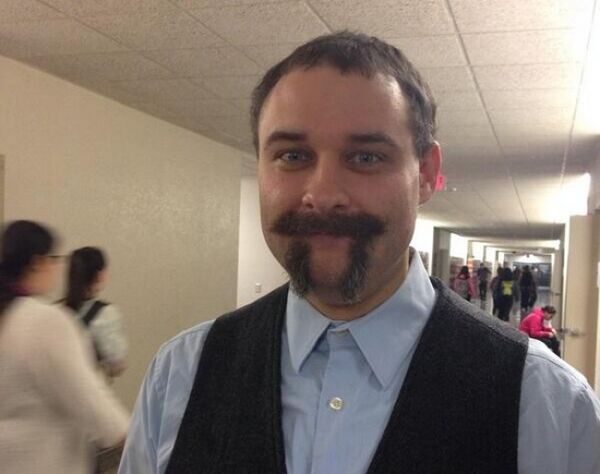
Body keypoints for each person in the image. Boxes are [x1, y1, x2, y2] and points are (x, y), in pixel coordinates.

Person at [119, 32, 600, 474]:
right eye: (292, 155)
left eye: (366, 157)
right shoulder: (180, 375)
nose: (323, 194)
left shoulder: (546, 404)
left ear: (426, 174)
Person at [0, 221, 129, 474]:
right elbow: (88, 398)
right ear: (37, 262)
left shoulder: (10, 316)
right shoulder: (42, 320)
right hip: (45, 461)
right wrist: (132, 438)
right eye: (54, 259)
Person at [63, 246, 128, 378]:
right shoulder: (106, 314)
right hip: (85, 385)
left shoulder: (56, 310)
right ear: (100, 275)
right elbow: (117, 365)